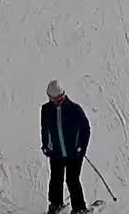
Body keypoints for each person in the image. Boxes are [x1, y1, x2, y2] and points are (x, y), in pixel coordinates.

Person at [40, 80, 90, 214]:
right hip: (56, 152)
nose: (58, 101)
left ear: (64, 94)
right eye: (54, 99)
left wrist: (81, 147)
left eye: (60, 98)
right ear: (49, 97)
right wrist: (45, 145)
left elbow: (86, 129)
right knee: (56, 178)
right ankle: (56, 205)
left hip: (74, 153)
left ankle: (79, 209)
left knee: (72, 180)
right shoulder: (46, 110)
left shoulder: (75, 109)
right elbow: (44, 129)